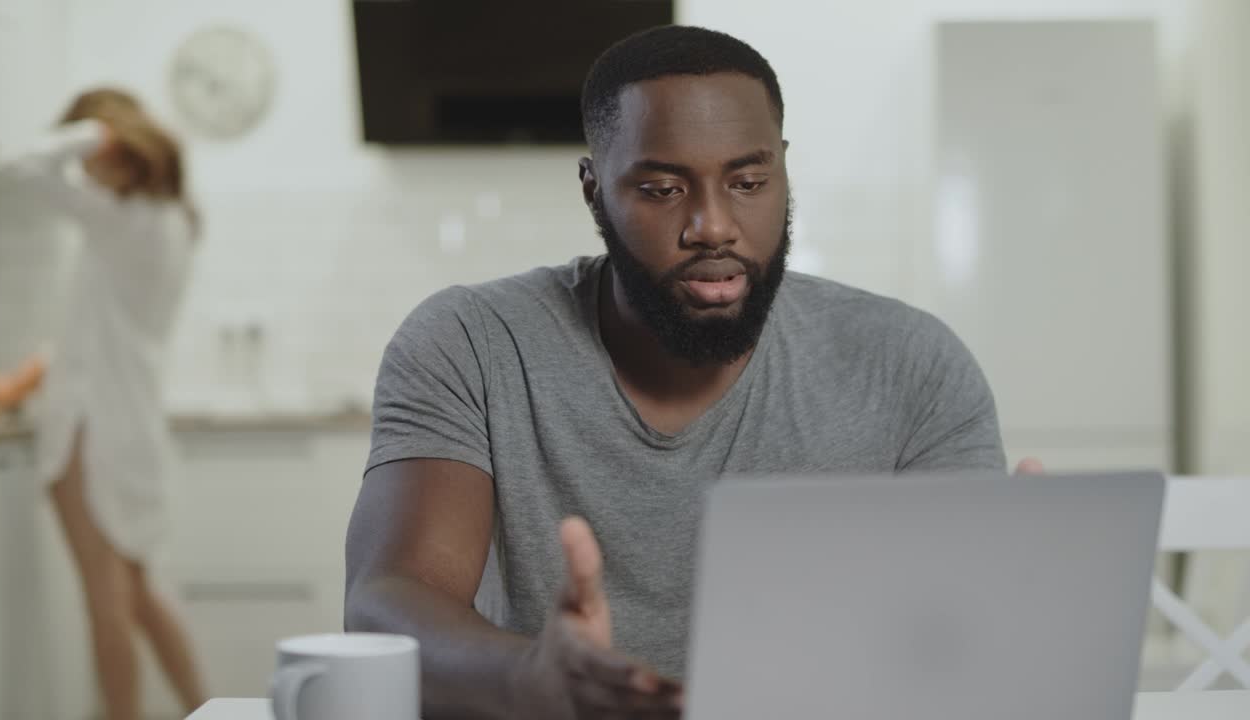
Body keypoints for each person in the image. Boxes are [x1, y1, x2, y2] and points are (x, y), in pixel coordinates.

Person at [345, 26, 1038, 720]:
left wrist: (1012, 597)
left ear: (783, 173)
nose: (712, 225)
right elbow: (386, 602)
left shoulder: (911, 366)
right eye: (661, 188)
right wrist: (529, 676)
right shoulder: (471, 344)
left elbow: (955, 653)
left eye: (747, 182)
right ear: (594, 192)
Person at [0, 88, 206, 719]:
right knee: (138, 598)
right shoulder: (176, 221)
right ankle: (207, 709)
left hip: (92, 433)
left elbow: (24, 163)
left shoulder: (118, 217)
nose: (85, 171)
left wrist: (90, 134)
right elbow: (108, 331)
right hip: (134, 429)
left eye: (93, 151)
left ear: (115, 145)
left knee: (106, 605)